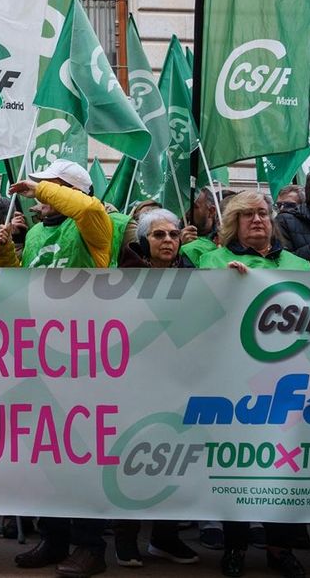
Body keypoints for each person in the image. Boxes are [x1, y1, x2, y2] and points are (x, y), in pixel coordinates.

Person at [11, 161, 119, 578]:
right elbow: (24, 286)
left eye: (49, 186)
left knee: (83, 455)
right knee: (48, 454)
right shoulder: (36, 233)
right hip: (40, 354)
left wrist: (38, 188)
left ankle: (90, 546)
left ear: (67, 190)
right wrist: (4, 257)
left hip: (84, 357)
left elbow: (89, 207)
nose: (39, 195)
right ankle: (54, 538)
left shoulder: (92, 223)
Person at [195, 191, 310, 578]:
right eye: (247, 215)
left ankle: (279, 548)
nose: (257, 220)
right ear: (234, 223)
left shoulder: (298, 264)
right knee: (239, 464)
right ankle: (236, 545)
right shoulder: (214, 262)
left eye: (262, 213)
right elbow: (199, 313)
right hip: (233, 381)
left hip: (284, 379)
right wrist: (223, 285)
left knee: (283, 465)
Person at [110, 208, 200, 568]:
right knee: (130, 459)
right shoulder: (123, 277)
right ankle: (125, 537)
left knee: (172, 459)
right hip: (131, 382)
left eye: (173, 235)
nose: (168, 241)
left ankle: (165, 537)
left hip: (177, 381)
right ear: (143, 241)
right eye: (159, 235)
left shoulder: (194, 276)